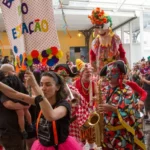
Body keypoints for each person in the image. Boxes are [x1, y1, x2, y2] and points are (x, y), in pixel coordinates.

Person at [99, 60, 146, 150]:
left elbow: (128, 110)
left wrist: (112, 109)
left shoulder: (127, 90)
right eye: (108, 72)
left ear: (120, 74)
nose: (109, 74)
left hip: (121, 134)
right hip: (106, 135)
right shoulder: (104, 89)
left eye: (113, 72)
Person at [54, 63, 89, 141]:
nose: (62, 78)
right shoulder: (52, 89)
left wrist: (78, 97)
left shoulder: (73, 89)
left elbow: (84, 105)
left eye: (65, 76)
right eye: (60, 76)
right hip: (56, 124)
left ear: (68, 77)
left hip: (72, 124)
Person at [88, 7, 127, 73]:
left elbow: (122, 53)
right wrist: (94, 71)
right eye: (97, 27)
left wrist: (124, 69)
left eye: (102, 27)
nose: (100, 31)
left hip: (115, 71)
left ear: (108, 26)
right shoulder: (95, 42)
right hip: (101, 72)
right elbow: (92, 58)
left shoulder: (116, 38)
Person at [0, 64, 33, 138]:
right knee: (26, 111)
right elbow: (22, 88)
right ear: (7, 72)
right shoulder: (15, 79)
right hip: (23, 98)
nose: (14, 72)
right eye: (13, 71)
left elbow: (8, 93)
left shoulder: (4, 81)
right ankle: (30, 125)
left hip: (14, 100)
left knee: (20, 114)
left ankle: (23, 130)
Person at [73, 59, 98, 150]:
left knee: (91, 130)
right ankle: (81, 146)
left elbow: (97, 95)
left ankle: (91, 147)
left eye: (89, 73)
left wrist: (95, 98)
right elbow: (72, 95)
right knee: (81, 131)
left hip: (90, 109)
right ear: (81, 73)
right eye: (86, 72)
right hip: (80, 110)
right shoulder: (75, 83)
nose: (88, 74)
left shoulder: (93, 83)